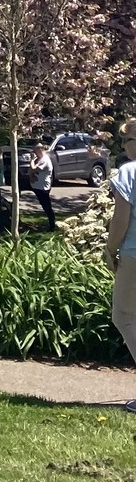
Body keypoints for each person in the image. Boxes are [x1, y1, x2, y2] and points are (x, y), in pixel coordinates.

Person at [104, 118, 136, 412]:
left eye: (127, 141)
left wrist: (109, 249)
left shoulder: (129, 171)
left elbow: (121, 219)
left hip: (134, 255)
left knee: (124, 316)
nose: (124, 147)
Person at [29, 143, 56, 229]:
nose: (34, 152)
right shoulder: (39, 159)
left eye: (35, 150)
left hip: (43, 187)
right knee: (44, 205)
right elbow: (31, 170)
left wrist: (32, 160)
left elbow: (33, 168)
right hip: (37, 186)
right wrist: (31, 176)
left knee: (47, 206)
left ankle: (52, 225)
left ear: (40, 149)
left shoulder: (45, 160)